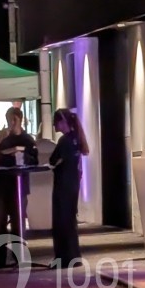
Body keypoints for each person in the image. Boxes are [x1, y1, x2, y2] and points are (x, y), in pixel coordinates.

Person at [0, 106, 37, 267]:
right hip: (1, 185)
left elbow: (34, 160)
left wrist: (22, 155)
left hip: (18, 185)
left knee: (18, 222)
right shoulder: (1, 135)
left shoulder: (27, 139)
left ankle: (19, 257)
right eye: (9, 119)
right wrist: (0, 139)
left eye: (14, 119)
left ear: (20, 119)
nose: (11, 122)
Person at [50, 108, 89, 267]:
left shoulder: (64, 141)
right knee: (70, 220)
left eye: (56, 122)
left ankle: (63, 257)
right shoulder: (76, 139)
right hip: (73, 184)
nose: (55, 126)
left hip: (62, 184)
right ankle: (74, 256)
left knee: (60, 220)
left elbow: (53, 160)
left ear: (62, 122)